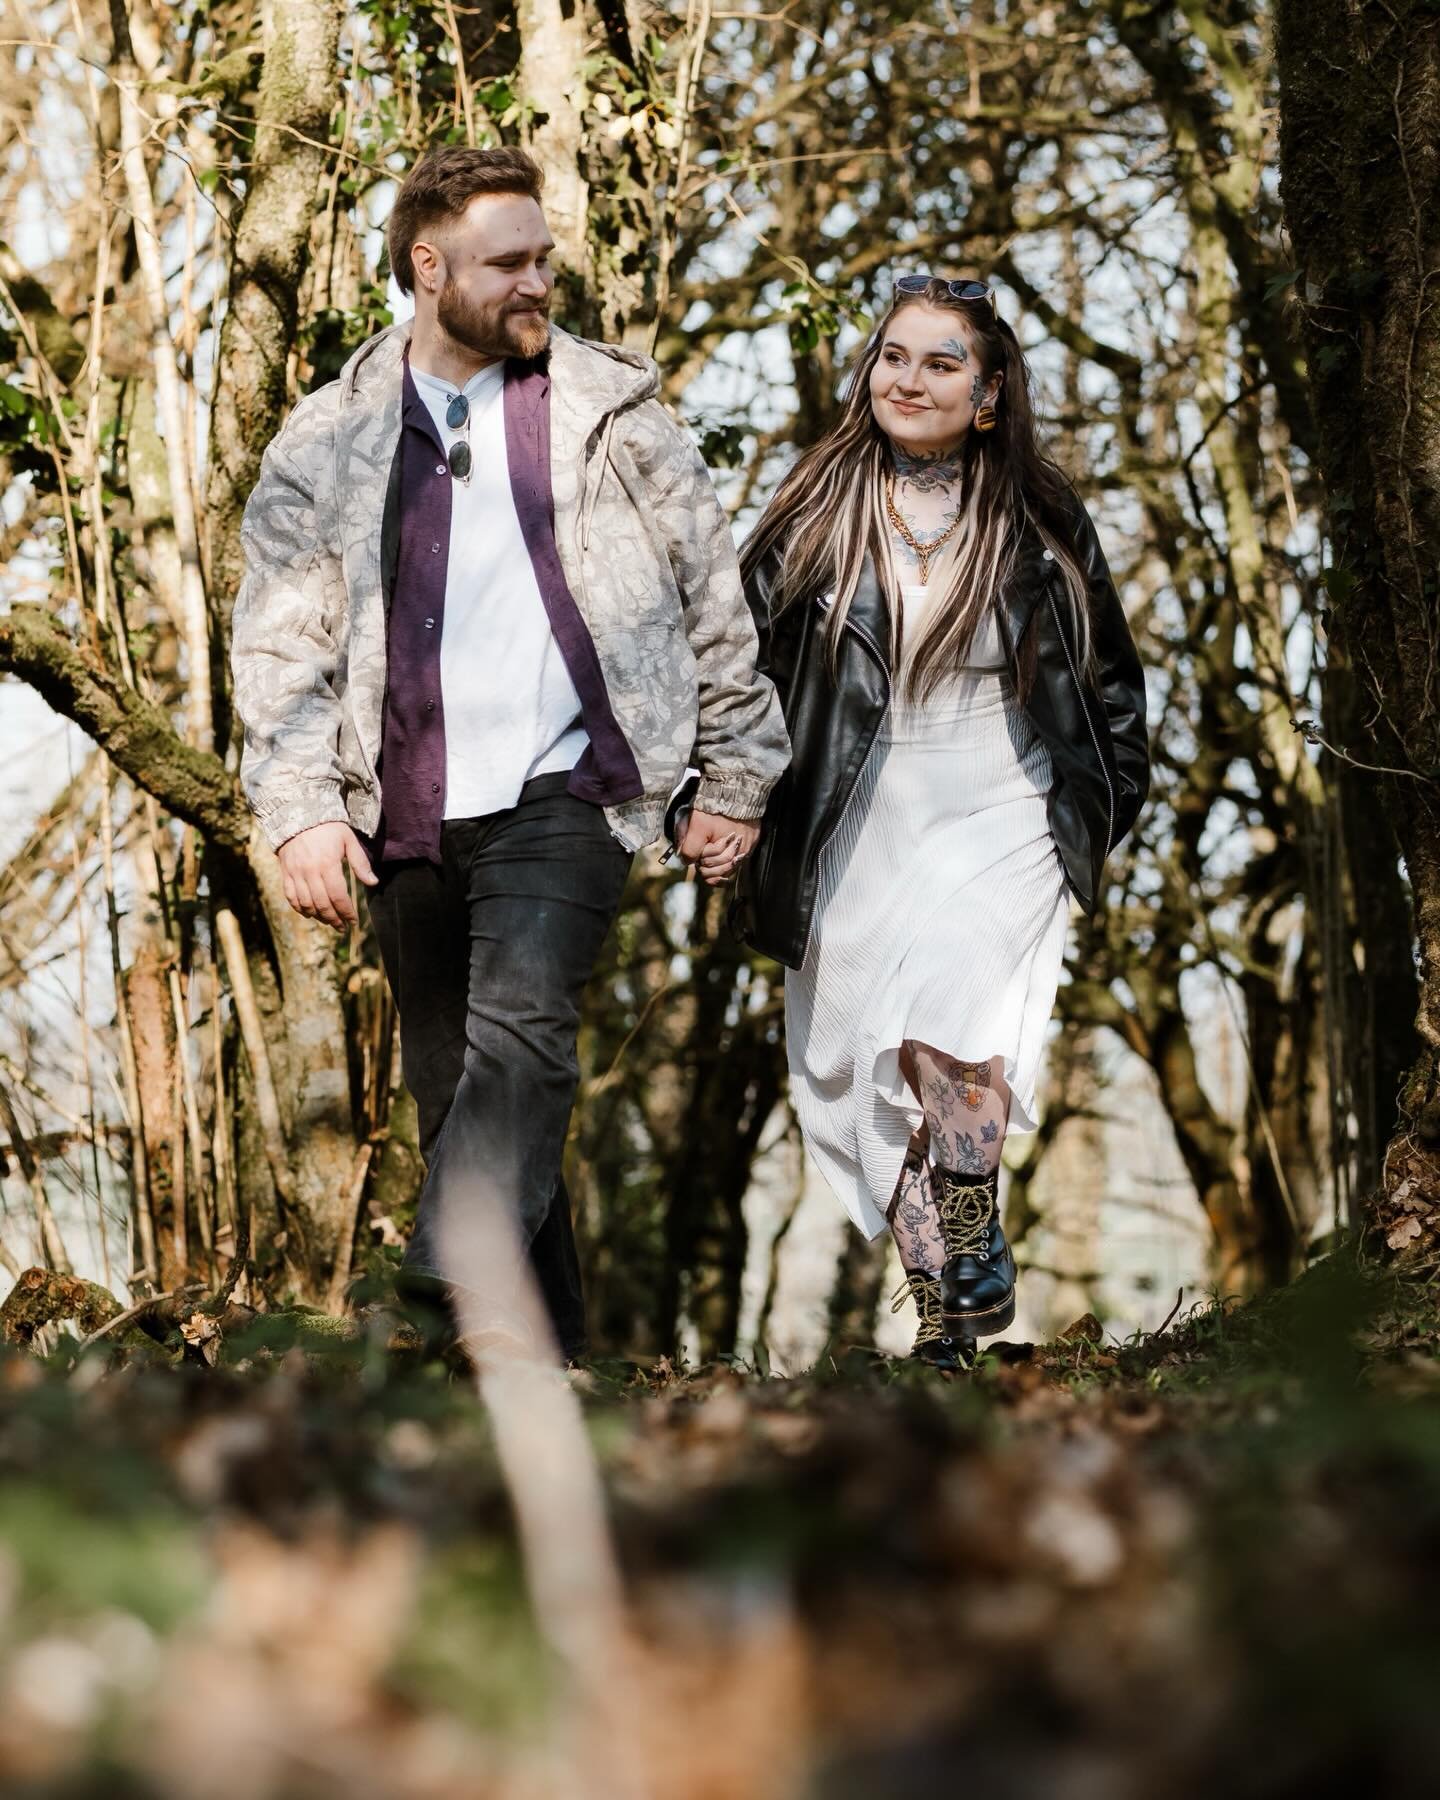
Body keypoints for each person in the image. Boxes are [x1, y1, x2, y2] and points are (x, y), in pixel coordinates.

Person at [232, 146, 789, 1360]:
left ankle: (432, 1302)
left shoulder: (615, 415)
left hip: (571, 786)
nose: (540, 280)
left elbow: (712, 596)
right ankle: (547, 1373)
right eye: (510, 262)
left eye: (545, 257)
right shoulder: (324, 443)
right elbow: (278, 646)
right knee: (469, 1095)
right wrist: (299, 808)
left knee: (525, 1031)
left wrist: (736, 770)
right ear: (429, 269)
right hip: (406, 801)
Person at [735, 275, 1148, 1369]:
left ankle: (963, 1254)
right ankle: (950, 1326)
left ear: (990, 393)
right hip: (853, 811)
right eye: (894, 357)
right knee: (889, 1067)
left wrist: (1103, 816)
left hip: (1002, 800)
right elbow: (738, 676)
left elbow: (1110, 685)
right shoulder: (811, 511)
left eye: (941, 362)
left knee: (961, 1042)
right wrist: (721, 800)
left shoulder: (1044, 518)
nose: (909, 380)